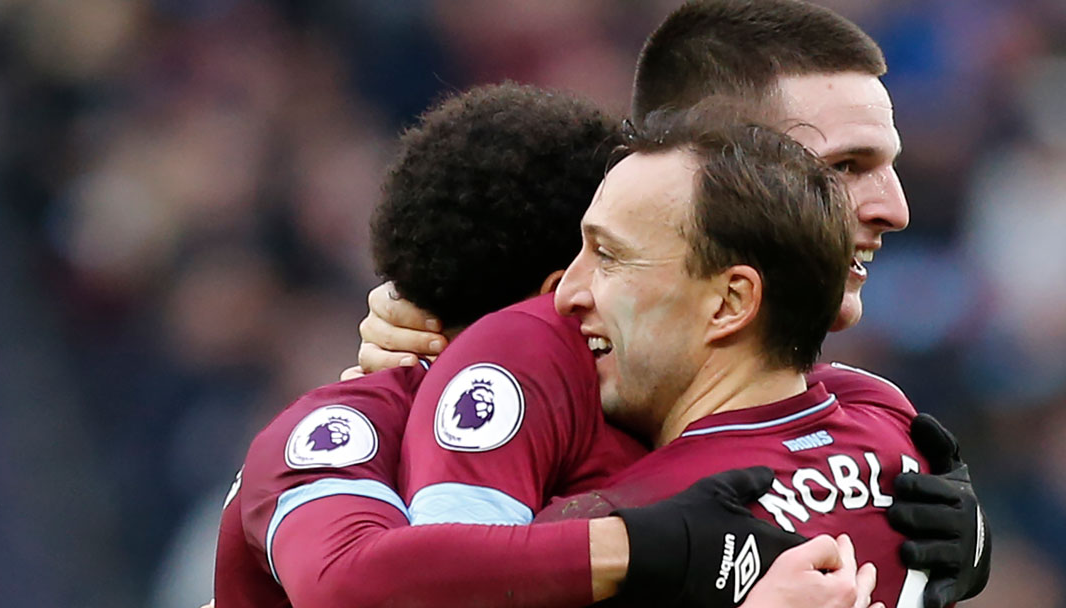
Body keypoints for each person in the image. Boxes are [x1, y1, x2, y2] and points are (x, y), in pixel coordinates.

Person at [356, 2, 989, 606]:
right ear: (730, 165)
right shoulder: (519, 364)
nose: (894, 208)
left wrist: (961, 546)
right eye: (845, 166)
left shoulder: (863, 402)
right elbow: (395, 583)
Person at [214, 82, 879, 608]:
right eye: (593, 255)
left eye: (612, 256)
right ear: (554, 291)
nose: (582, 296)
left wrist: (916, 478)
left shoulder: (656, 427)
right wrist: (647, 548)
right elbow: (347, 585)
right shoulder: (339, 434)